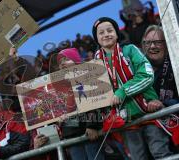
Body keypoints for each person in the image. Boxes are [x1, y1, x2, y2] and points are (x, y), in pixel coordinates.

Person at [92, 17, 172, 160]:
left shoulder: (130, 50)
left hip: (148, 113)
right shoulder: (95, 65)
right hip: (126, 122)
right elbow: (96, 96)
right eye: (101, 33)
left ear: (117, 33)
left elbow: (146, 75)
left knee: (161, 154)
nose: (106, 35)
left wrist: (123, 91)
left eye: (110, 30)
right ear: (97, 39)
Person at [56, 48, 104, 160]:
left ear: (76, 61)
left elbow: (94, 103)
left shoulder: (87, 76)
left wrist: (92, 126)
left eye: (66, 59)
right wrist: (59, 120)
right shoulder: (60, 86)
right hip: (72, 135)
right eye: (60, 62)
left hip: (88, 132)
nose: (62, 63)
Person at [142, 25, 179, 148]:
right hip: (149, 137)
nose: (152, 46)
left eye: (158, 42)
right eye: (148, 43)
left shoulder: (176, 64)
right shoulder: (138, 72)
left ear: (167, 43)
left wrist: (165, 104)